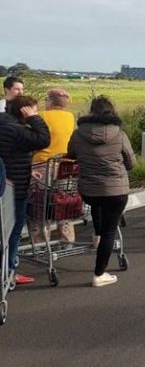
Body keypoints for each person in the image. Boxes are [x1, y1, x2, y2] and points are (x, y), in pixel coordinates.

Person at [67, 96, 134, 287]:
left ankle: (97, 235)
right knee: (109, 232)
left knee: (97, 205)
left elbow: (71, 154)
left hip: (89, 191)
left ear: (91, 112)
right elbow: (131, 162)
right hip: (116, 191)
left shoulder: (78, 134)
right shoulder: (119, 134)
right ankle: (99, 273)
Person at [0, 96, 51, 286]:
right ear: (25, 111)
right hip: (14, 187)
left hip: (8, 179)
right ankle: (8, 272)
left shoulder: (4, 123)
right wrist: (34, 118)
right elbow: (44, 139)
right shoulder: (17, 129)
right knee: (13, 231)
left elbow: (10, 154)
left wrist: (29, 169)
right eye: (34, 110)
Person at [31, 88, 76, 244]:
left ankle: (40, 241)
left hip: (43, 164)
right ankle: (67, 238)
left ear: (50, 101)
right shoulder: (70, 117)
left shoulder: (41, 116)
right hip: (65, 165)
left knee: (41, 204)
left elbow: (34, 140)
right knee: (64, 202)